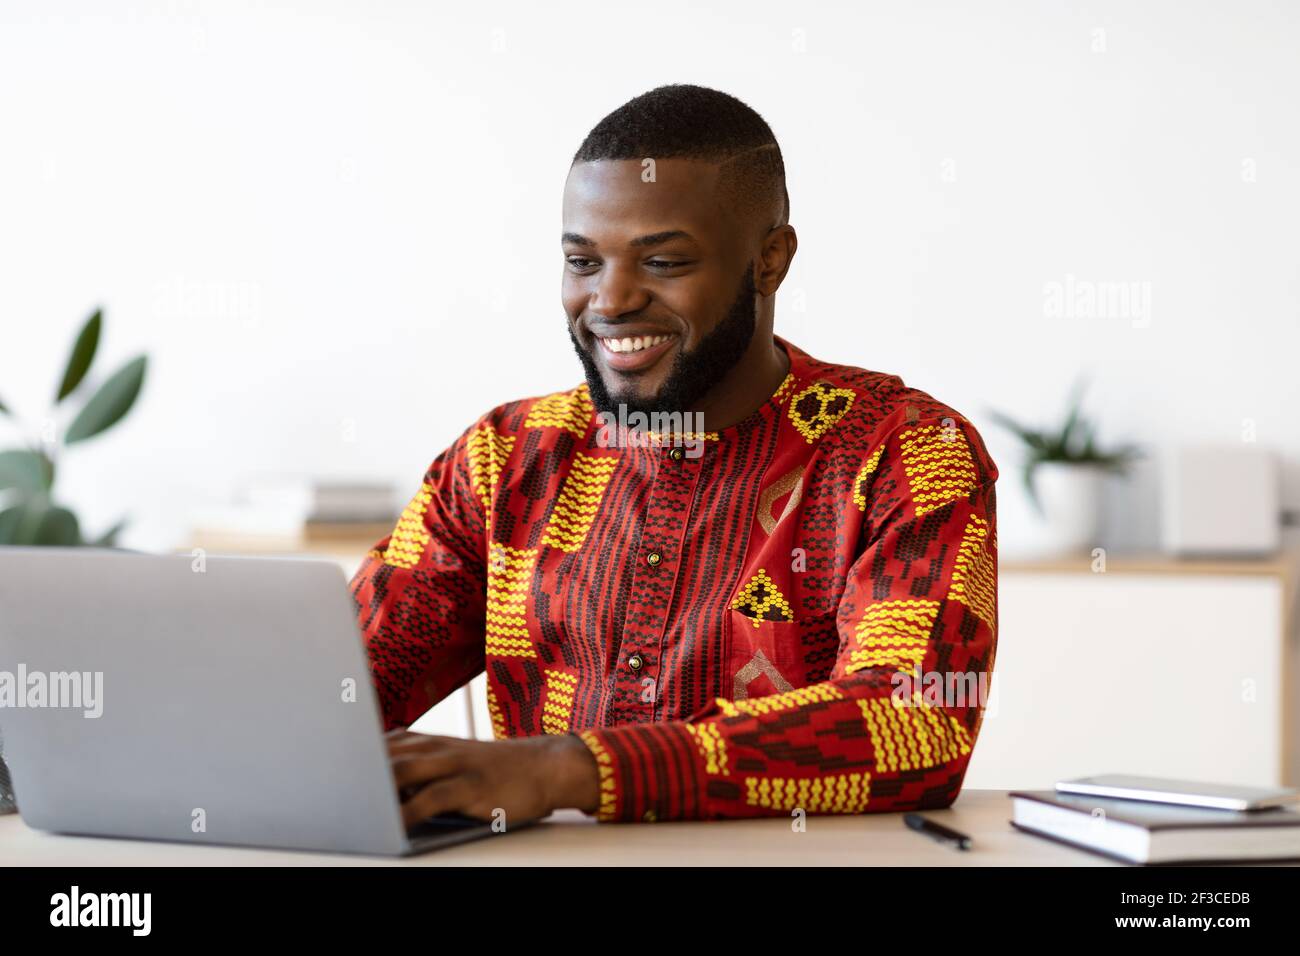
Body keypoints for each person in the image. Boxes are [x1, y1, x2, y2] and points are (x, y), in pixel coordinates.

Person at [352, 83, 999, 826]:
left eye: (662, 262)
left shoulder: (906, 451)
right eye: (584, 262)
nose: (612, 300)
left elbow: (913, 724)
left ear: (770, 261)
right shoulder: (504, 460)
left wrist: (568, 770)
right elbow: (338, 691)